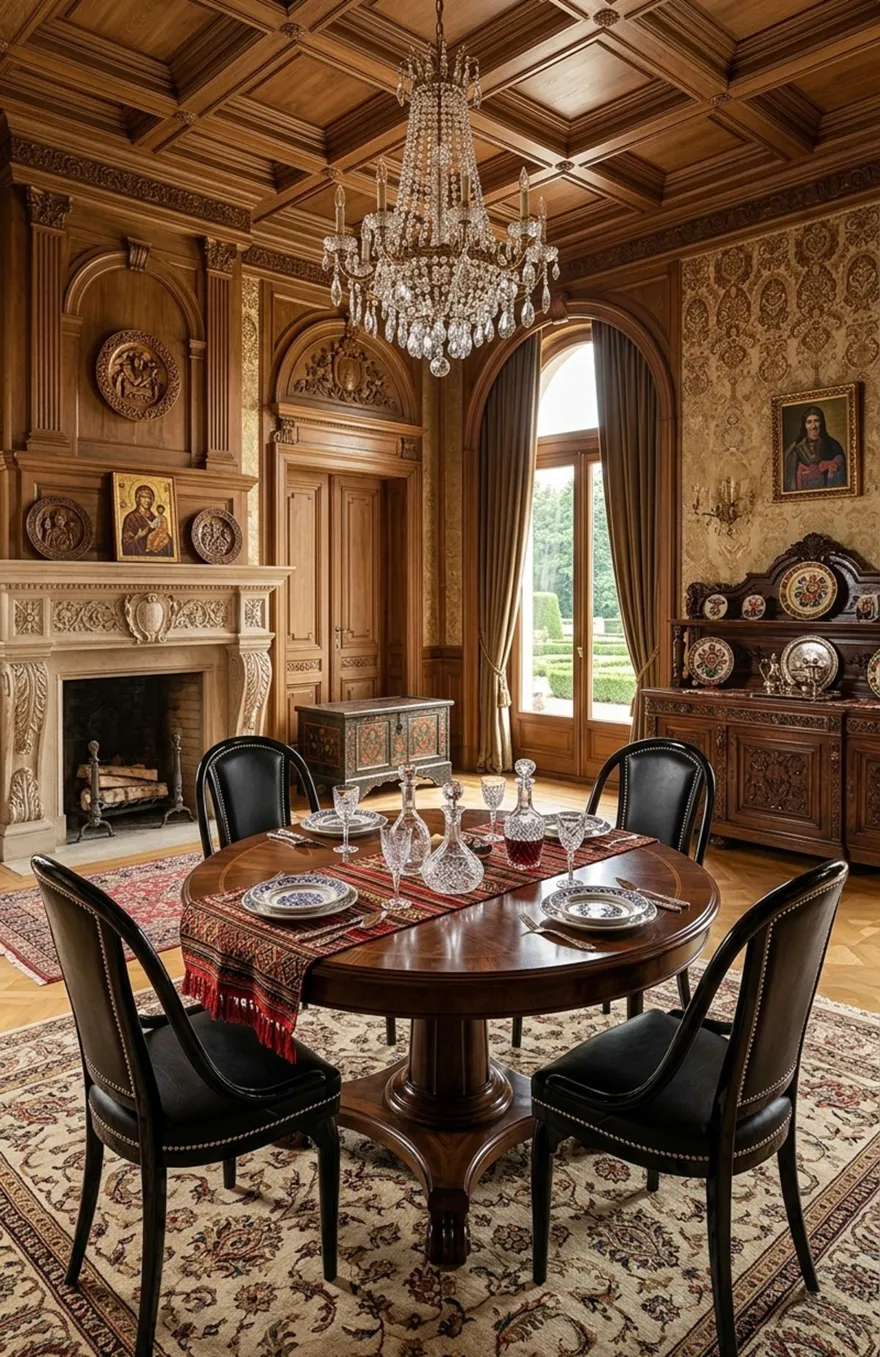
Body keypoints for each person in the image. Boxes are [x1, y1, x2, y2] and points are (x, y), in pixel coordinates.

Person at [783, 405, 847, 493]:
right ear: (804, 425)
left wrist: (832, 465)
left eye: (816, 421)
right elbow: (790, 482)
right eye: (809, 422)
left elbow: (842, 479)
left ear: (822, 423)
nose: (813, 426)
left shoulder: (833, 445)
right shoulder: (797, 449)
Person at [121, 484, 173, 557]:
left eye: (149, 498)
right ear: (137, 499)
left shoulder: (156, 518)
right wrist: (138, 537)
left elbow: (165, 535)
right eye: (143, 497)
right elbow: (126, 543)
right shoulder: (131, 518)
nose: (147, 500)